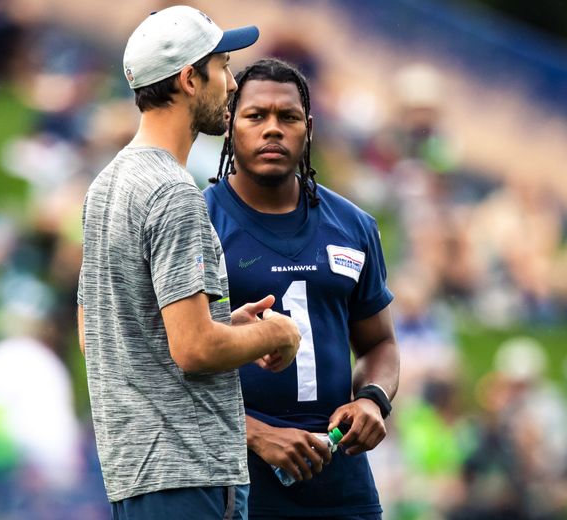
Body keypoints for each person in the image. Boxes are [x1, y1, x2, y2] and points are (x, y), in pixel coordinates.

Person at [77, 9, 301, 520]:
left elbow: (97, 331)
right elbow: (195, 348)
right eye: (223, 66)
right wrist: (275, 336)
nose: (232, 82)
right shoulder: (173, 192)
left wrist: (227, 326)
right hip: (189, 473)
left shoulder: (106, 185)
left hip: (135, 475)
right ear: (188, 78)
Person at [205, 58, 400, 519]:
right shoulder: (198, 222)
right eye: (256, 116)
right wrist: (255, 433)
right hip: (236, 479)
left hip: (339, 479)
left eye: (287, 117)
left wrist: (372, 399)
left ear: (307, 128)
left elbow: (380, 343)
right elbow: (169, 362)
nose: (273, 129)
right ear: (230, 125)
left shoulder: (353, 225)